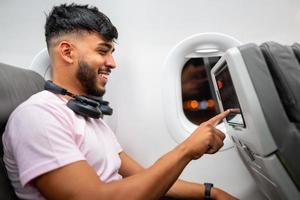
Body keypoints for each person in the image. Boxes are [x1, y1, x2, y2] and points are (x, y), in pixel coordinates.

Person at [2, 3, 238, 200]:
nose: (112, 63)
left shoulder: (89, 117)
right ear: (67, 52)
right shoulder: (38, 117)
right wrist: (186, 149)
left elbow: (141, 176)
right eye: (103, 51)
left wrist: (211, 192)